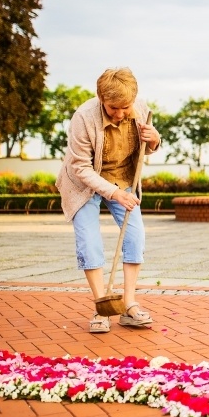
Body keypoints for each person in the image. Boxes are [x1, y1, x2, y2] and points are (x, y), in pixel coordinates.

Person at [56, 67, 161, 333]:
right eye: (113, 107)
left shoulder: (140, 109)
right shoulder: (83, 117)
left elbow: (147, 148)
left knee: (135, 237)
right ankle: (101, 307)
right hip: (84, 184)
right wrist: (113, 193)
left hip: (123, 180)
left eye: (125, 107)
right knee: (89, 241)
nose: (119, 113)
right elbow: (80, 168)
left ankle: (129, 305)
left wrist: (155, 141)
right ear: (101, 97)